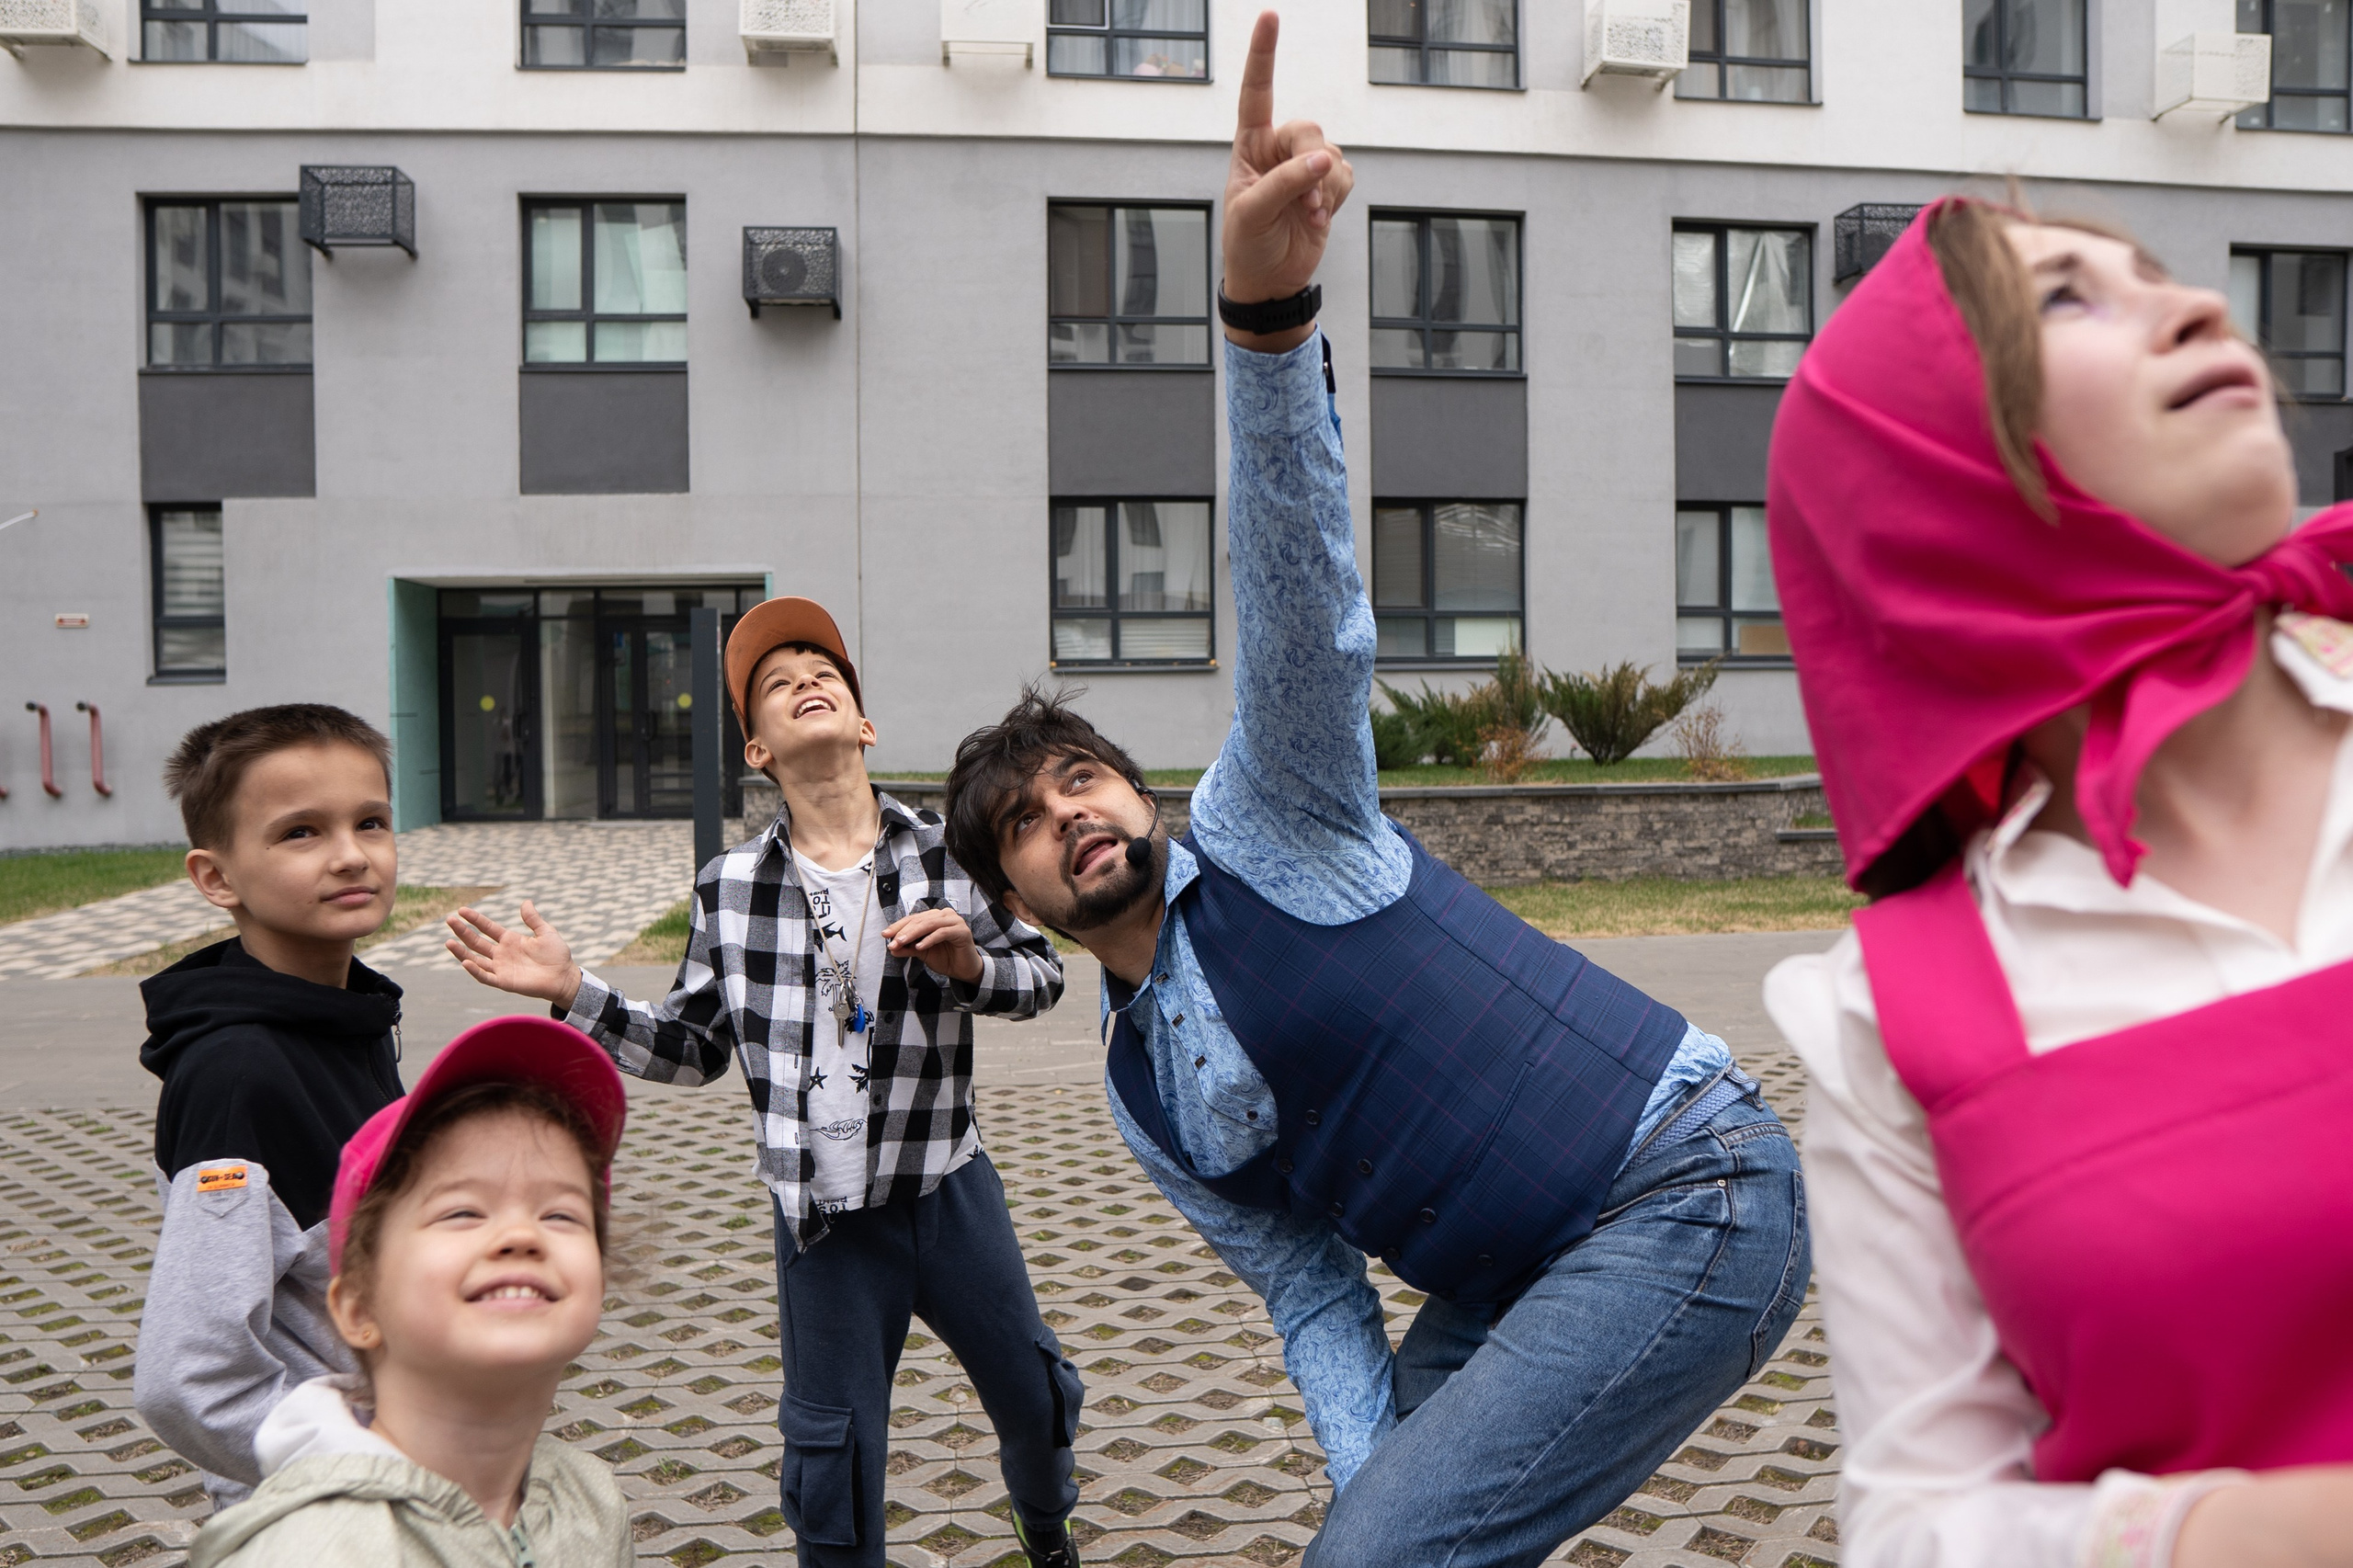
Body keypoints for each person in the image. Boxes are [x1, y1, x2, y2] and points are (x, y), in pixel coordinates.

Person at [938, 17, 1808, 1566]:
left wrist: (1265, 327)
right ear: (1015, 901)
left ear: (1142, 796)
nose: (1071, 814)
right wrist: (1377, 1490)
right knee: (1388, 1532)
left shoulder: (1274, 822)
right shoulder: (1141, 1091)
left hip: (1687, 1184)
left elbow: (1303, 612)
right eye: (1025, 824)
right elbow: (1311, 1288)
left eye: (1085, 779)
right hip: (1516, 1286)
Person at [1761, 196, 2353, 1568]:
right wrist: (2232, 1534)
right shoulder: (1888, 1019)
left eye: (2164, 266)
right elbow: (1913, 1518)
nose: (2197, 302)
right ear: (1934, 474)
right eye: (2070, 299)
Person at [443, 597, 1083, 1568]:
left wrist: (970, 967)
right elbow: (695, 1045)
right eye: (778, 684)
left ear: (863, 724)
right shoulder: (728, 886)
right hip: (823, 1223)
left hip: (950, 1189)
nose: (806, 682)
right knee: (832, 1467)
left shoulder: (950, 854)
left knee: (1035, 1398)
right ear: (758, 749)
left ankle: (1047, 1532)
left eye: (823, 671)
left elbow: (1043, 976)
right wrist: (573, 989)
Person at [188, 1015, 634, 1566]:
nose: (522, 1235)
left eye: (562, 1214)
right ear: (357, 1306)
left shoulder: (591, 1501)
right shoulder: (312, 1552)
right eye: (463, 1211)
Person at [134, 703, 410, 1506]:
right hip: (332, 1514)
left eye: (371, 822)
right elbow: (188, 1378)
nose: (352, 857)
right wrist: (365, 1467)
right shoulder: (237, 1070)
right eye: (301, 833)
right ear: (216, 877)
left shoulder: (348, 1016)